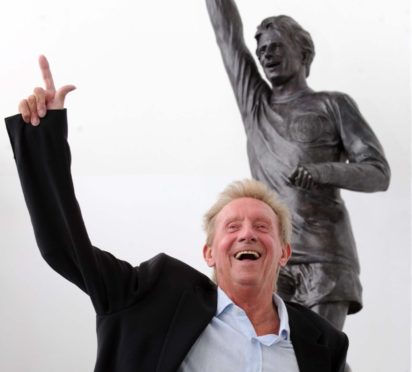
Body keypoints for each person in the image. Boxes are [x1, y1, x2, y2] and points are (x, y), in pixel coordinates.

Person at [5, 56, 348, 372]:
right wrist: (43, 138)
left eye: (262, 226)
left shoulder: (324, 342)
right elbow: (65, 248)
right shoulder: (155, 296)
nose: (247, 234)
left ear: (284, 252)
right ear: (209, 252)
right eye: (232, 226)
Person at [205, 0, 390, 331]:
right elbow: (227, 36)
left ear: (303, 54)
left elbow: (378, 173)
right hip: (274, 255)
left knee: (319, 354)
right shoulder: (256, 106)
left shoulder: (332, 105)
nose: (266, 55)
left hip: (325, 255)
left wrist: (322, 172)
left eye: (276, 46)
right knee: (274, 351)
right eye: (261, 50)